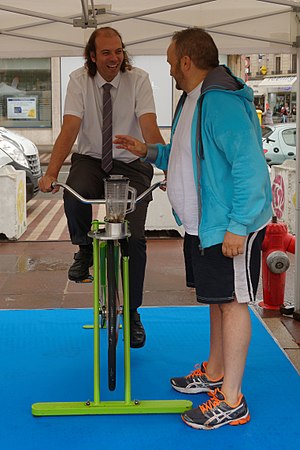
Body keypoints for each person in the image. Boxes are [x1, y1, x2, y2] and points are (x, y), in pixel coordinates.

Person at [114, 27, 272, 430]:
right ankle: (216, 372)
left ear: (187, 60)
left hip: (228, 227)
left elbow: (250, 168)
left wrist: (238, 226)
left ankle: (232, 401)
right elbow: (185, 155)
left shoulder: (219, 102)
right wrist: (148, 150)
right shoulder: (193, 100)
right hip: (205, 226)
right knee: (220, 300)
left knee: (234, 304)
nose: (169, 70)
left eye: (170, 62)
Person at [38, 27, 165, 349]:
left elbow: (149, 125)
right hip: (91, 159)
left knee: (134, 239)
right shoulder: (79, 80)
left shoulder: (139, 79)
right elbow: (70, 128)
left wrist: (168, 166)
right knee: (74, 191)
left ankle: (133, 312)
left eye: (119, 51)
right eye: (106, 53)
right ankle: (83, 249)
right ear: (92, 56)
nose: (114, 58)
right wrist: (50, 173)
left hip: (132, 161)